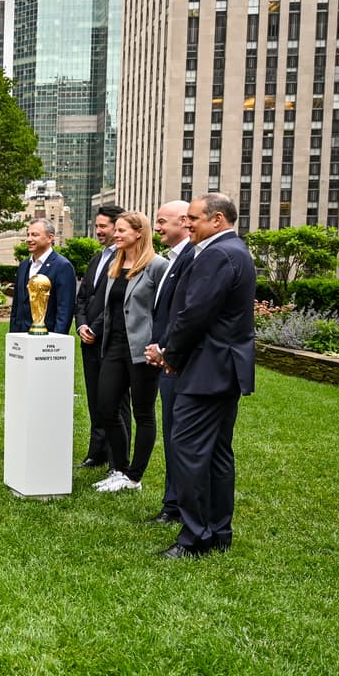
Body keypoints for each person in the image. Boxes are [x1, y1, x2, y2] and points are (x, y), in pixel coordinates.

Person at [146, 193, 255, 558]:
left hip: (207, 370)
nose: (187, 224)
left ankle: (194, 538)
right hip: (225, 369)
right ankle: (219, 532)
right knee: (219, 454)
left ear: (218, 220)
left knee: (189, 451)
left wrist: (170, 354)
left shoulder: (217, 254)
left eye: (193, 218)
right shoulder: (234, 250)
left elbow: (194, 314)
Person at [87, 212, 169, 493]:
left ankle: (134, 476)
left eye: (122, 230)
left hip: (142, 351)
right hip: (114, 346)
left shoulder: (158, 266)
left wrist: (159, 344)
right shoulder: (115, 263)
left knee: (143, 412)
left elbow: (165, 311)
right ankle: (120, 469)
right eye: (116, 230)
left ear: (139, 233)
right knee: (106, 407)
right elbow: (110, 308)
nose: (116, 234)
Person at [145, 200, 196, 525]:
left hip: (180, 364)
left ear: (183, 221)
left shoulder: (192, 259)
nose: (158, 227)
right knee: (173, 436)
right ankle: (172, 503)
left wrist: (166, 350)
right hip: (166, 362)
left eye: (163, 221)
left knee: (181, 438)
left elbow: (187, 315)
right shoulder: (172, 260)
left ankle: (177, 507)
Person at [74, 204, 128, 469]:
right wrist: (81, 325)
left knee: (115, 402)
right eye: (97, 226)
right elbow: (83, 296)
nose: (98, 231)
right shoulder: (97, 258)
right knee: (95, 398)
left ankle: (118, 459)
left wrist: (95, 328)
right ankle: (97, 453)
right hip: (88, 341)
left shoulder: (127, 260)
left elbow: (113, 305)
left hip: (110, 341)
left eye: (103, 226)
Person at [8, 219, 77, 335]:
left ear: (50, 238)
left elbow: (64, 310)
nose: (29, 239)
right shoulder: (23, 266)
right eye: (28, 235)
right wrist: (13, 335)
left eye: (34, 235)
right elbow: (16, 306)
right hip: (21, 338)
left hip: (47, 339)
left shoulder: (62, 266)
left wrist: (56, 341)